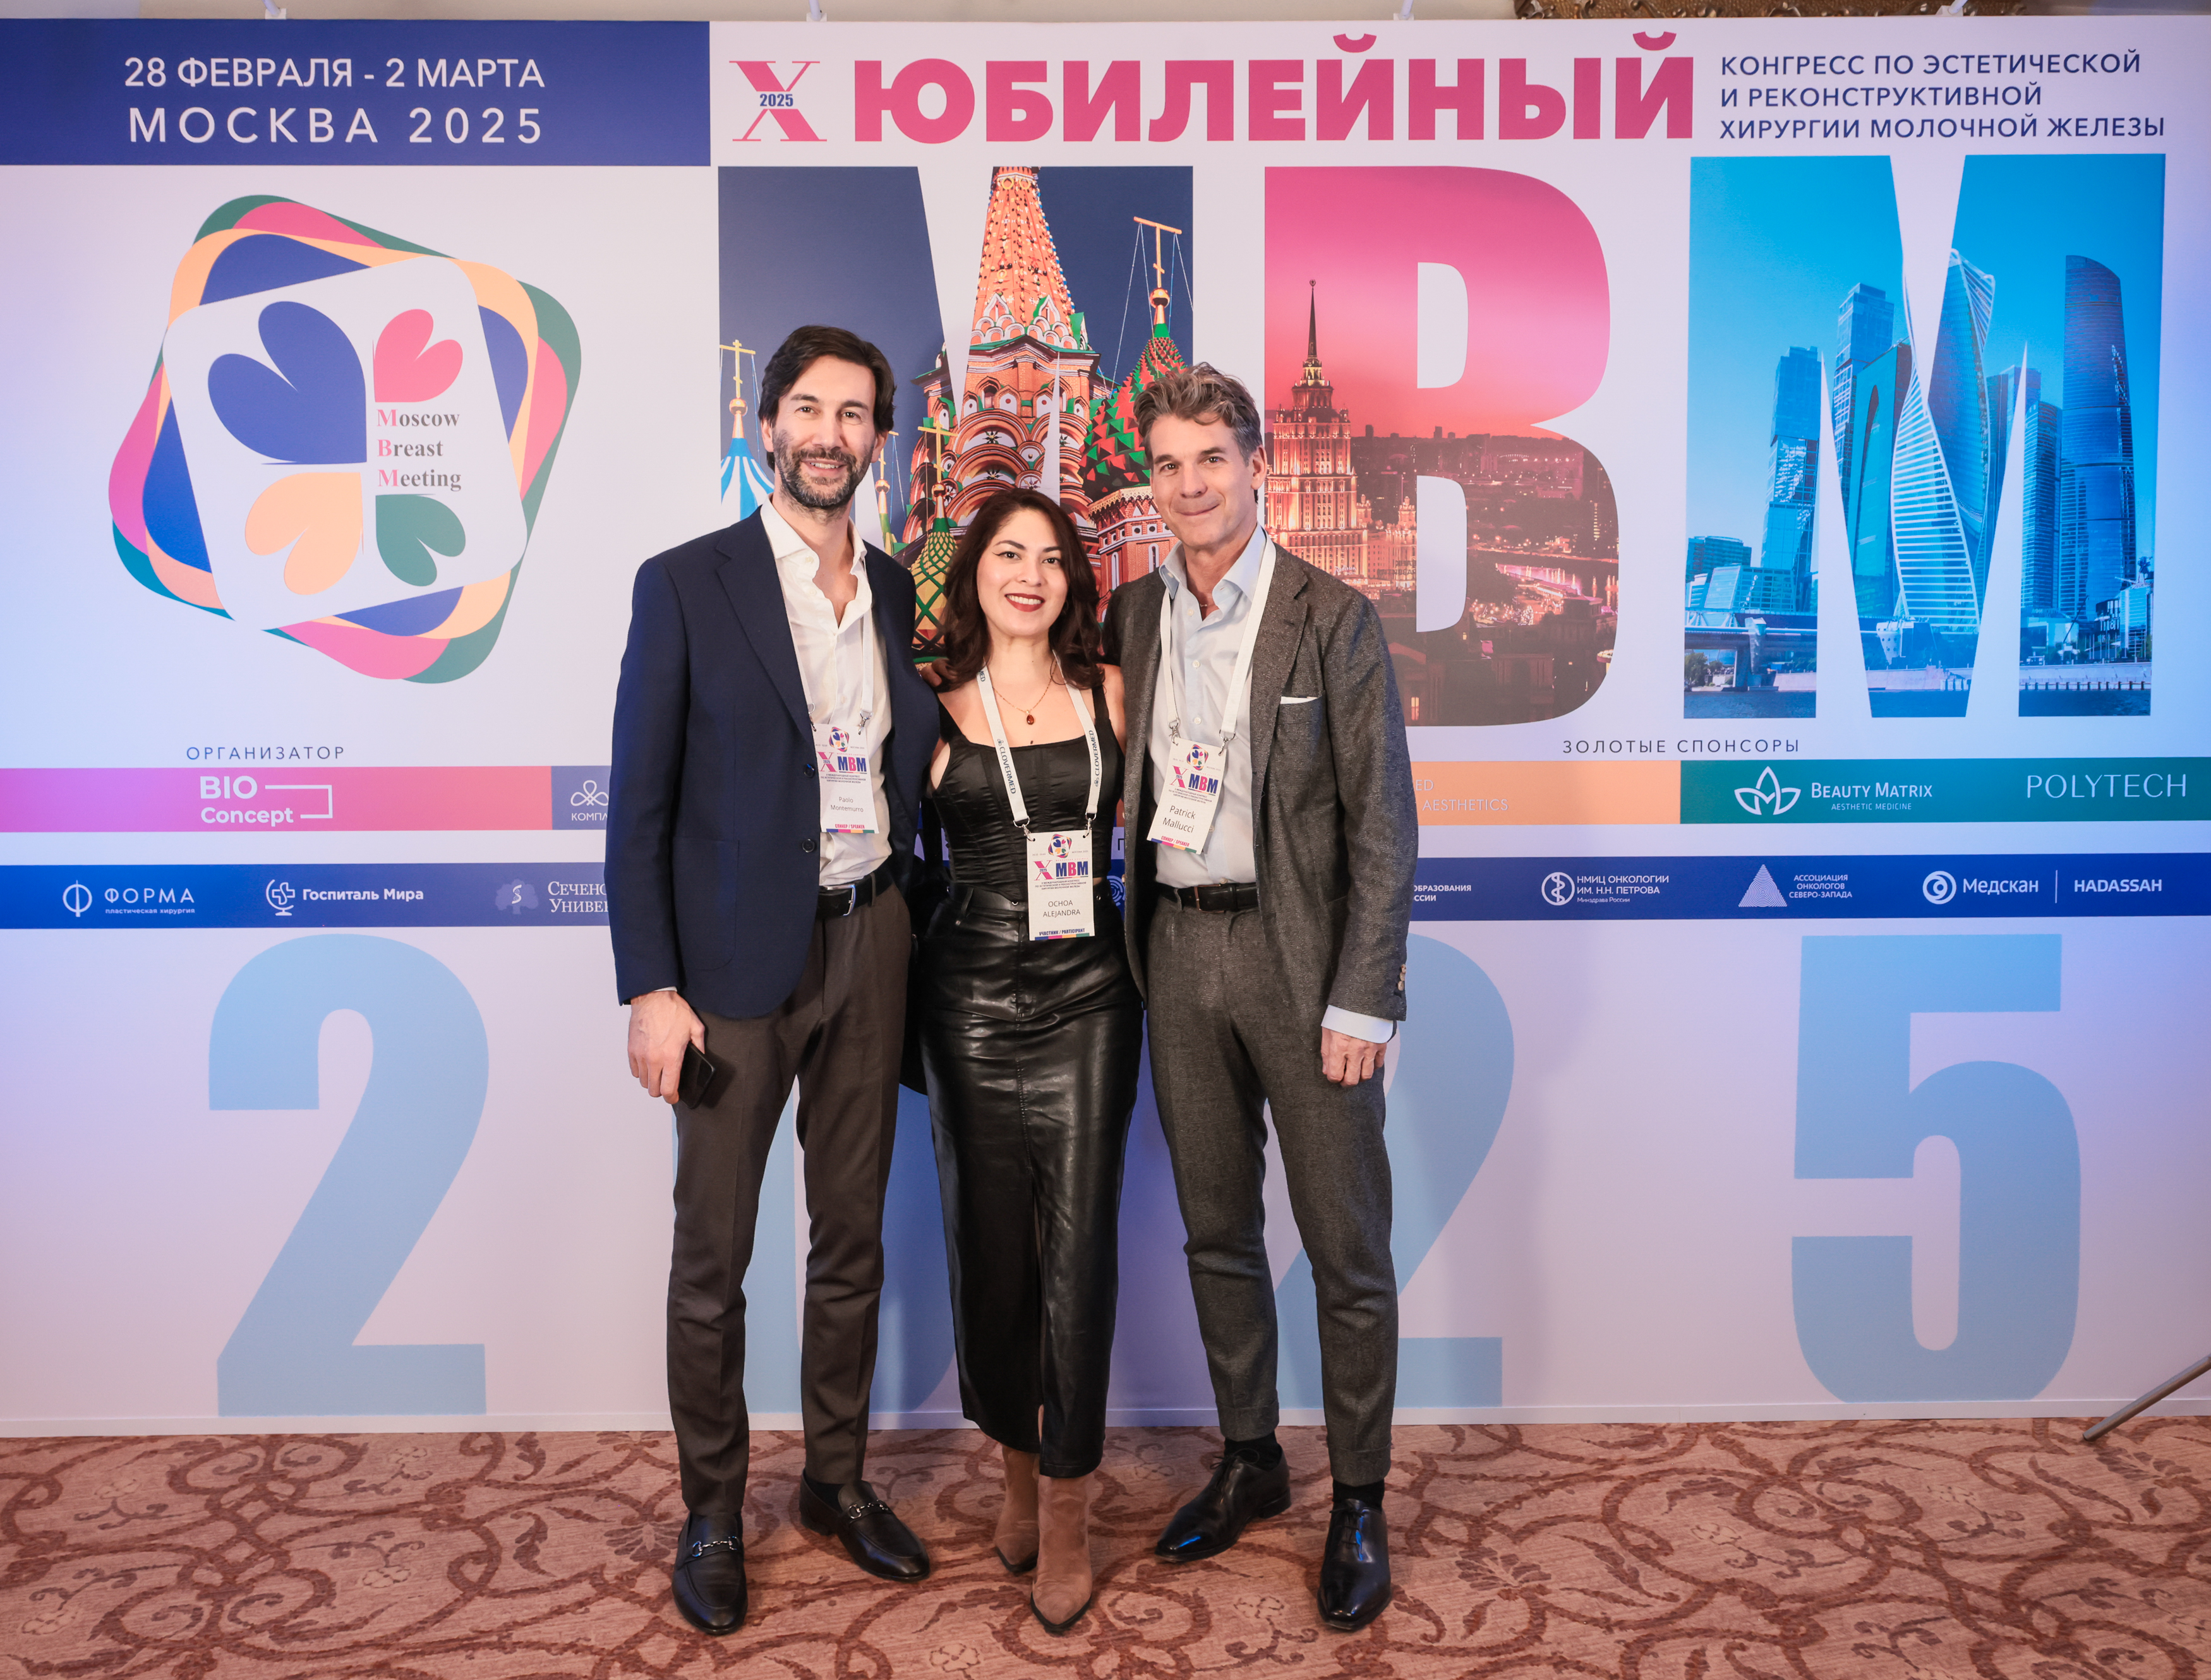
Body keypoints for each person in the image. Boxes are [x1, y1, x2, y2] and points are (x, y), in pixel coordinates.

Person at [606, 325, 938, 1636]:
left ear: (879, 442)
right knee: (714, 1256)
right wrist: (651, 986)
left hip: (873, 938)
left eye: (853, 414)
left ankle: (835, 1482)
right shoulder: (686, 583)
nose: (828, 435)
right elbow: (638, 807)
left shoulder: (899, 590)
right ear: (765, 427)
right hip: (730, 970)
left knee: (851, 1240)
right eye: (807, 408)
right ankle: (711, 1511)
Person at [1099, 363, 1417, 1632]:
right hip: (1178, 953)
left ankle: (1360, 1498)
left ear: (1257, 465)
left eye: (1210, 460)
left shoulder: (1332, 617)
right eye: (1167, 465)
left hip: (1306, 963)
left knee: (1345, 1247)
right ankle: (1250, 1456)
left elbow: (1383, 826)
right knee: (1216, 1232)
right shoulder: (1133, 613)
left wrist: (1364, 997)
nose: (1188, 486)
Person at [915, 488, 1141, 1636]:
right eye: (1009, 555)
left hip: (1091, 992)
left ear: (1072, 583)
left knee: (1078, 1248)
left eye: (1051, 559)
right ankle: (1013, 1466)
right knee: (990, 1244)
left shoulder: (1111, 691)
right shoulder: (930, 703)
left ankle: (1065, 1506)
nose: (1030, 576)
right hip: (968, 1001)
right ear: (976, 573)